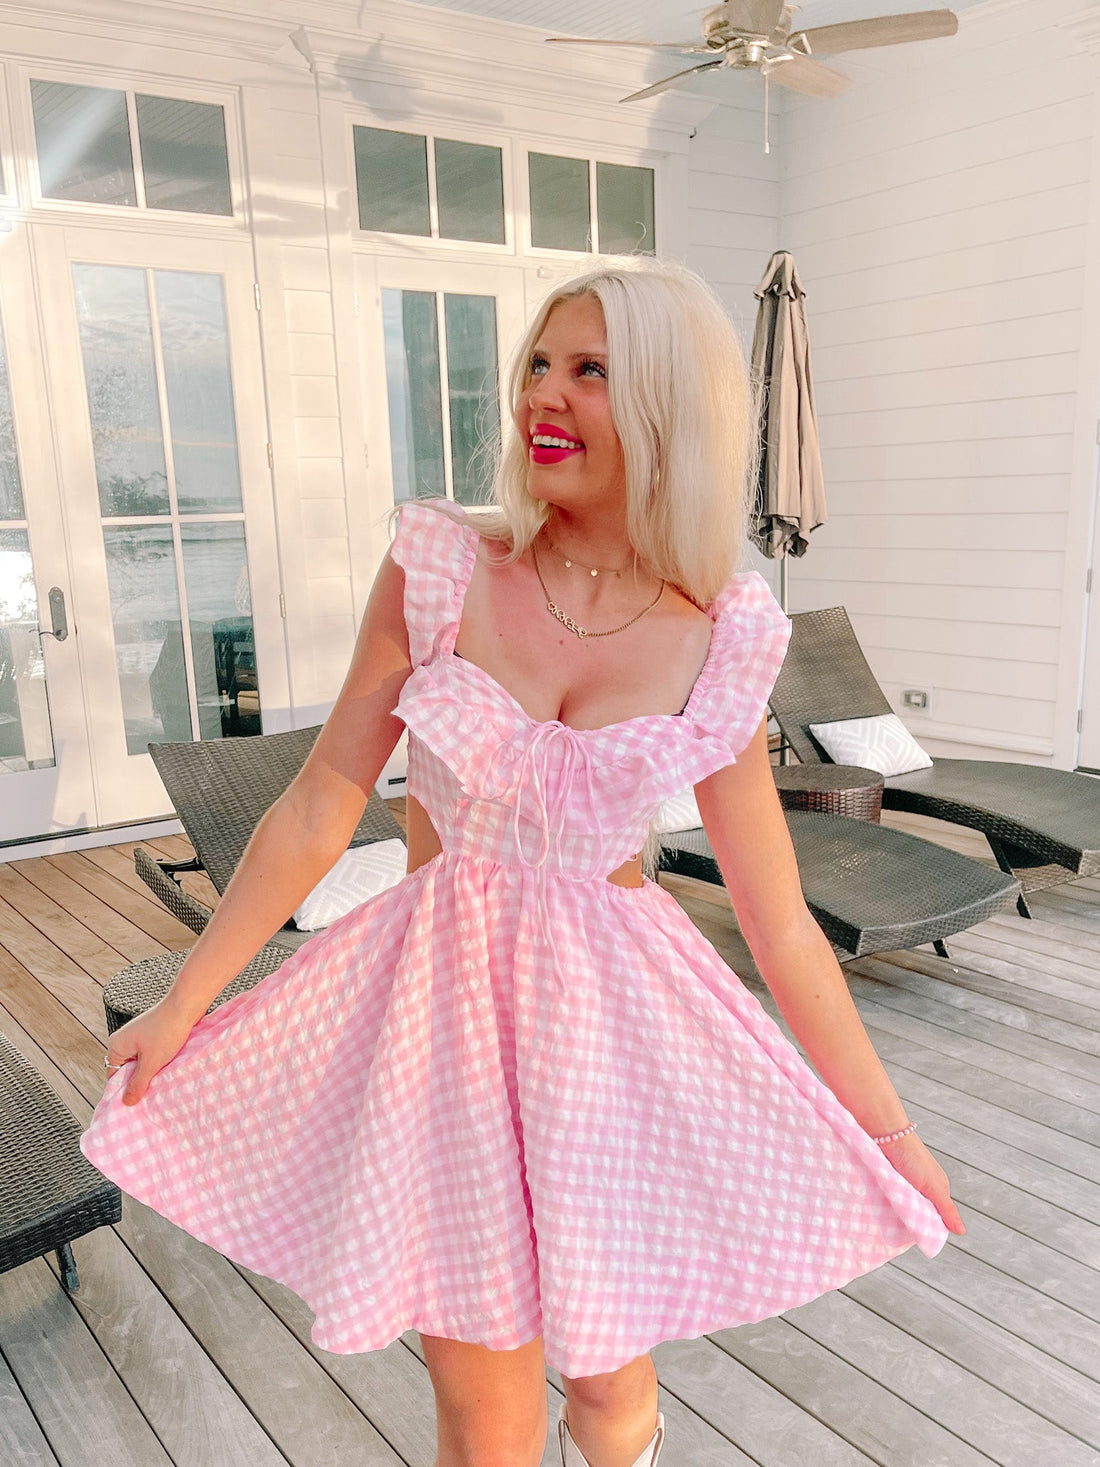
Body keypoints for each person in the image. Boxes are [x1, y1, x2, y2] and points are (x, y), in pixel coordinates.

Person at [82, 258, 963, 1467]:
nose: (543, 397)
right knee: (485, 1425)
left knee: (607, 1395)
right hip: (438, 1028)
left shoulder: (720, 631)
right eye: (537, 366)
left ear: (664, 406)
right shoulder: (443, 567)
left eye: (588, 371)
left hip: (616, 1045)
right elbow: (320, 801)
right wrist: (188, 1001)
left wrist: (889, 1132)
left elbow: (779, 924)